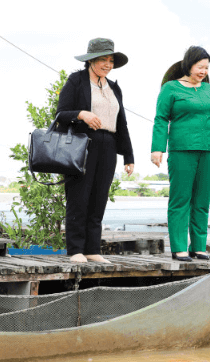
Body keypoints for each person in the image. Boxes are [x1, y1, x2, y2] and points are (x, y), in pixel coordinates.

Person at [151, 46, 210, 261]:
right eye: (200, 66)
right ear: (189, 65)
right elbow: (161, 119)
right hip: (181, 149)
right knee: (180, 199)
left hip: (209, 149)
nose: (203, 71)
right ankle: (179, 248)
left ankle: (199, 246)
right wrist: (157, 148)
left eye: (207, 67)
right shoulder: (170, 88)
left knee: (202, 200)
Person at [56, 38, 135, 264]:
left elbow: (122, 123)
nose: (108, 64)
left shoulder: (114, 87)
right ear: (91, 60)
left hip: (108, 145)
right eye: (103, 59)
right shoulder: (76, 81)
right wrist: (82, 114)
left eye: (111, 60)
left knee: (99, 198)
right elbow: (61, 113)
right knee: (78, 198)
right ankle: (75, 249)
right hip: (82, 144)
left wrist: (128, 156)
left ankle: (92, 248)